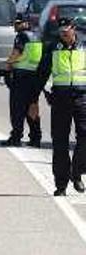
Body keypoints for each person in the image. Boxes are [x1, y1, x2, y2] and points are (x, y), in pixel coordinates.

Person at [37, 17, 86, 196]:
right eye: (61, 31)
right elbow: (42, 74)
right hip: (60, 100)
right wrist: (44, 95)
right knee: (59, 143)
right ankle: (61, 185)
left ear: (74, 29)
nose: (64, 33)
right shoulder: (52, 48)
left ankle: (77, 172)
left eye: (67, 30)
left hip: (82, 98)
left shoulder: (84, 46)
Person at [2, 13, 43, 147]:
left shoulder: (22, 36)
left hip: (22, 76)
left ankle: (16, 137)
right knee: (32, 106)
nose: (16, 25)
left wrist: (7, 65)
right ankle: (36, 137)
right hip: (35, 76)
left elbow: (17, 53)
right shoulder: (38, 36)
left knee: (17, 109)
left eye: (18, 23)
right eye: (15, 23)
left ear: (26, 23)